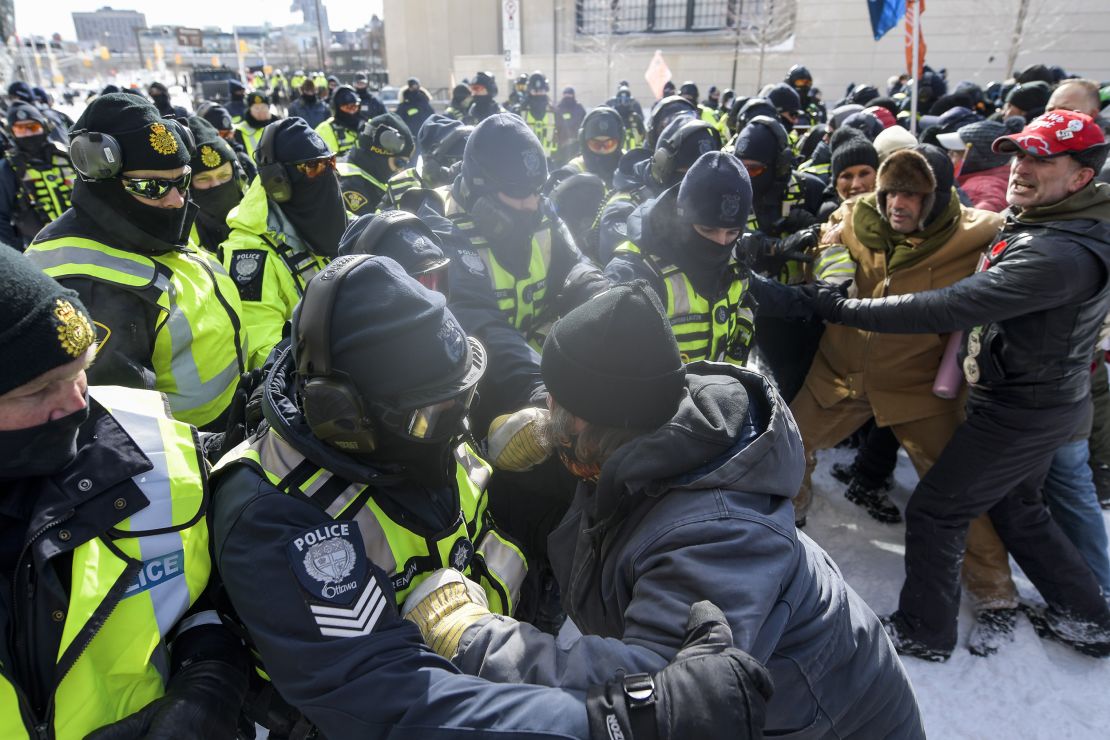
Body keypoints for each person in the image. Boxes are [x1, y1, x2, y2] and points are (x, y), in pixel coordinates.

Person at [211, 254, 774, 740]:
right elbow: (387, 698)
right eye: (440, 415)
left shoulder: (409, 424)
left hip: (502, 664)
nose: (456, 422)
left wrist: (514, 446)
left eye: (465, 398)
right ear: (344, 413)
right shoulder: (277, 512)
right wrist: (614, 723)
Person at [403, 280, 924, 739]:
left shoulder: (715, 534)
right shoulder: (657, 425)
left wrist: (474, 637)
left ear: (597, 423)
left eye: (558, 404)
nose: (547, 409)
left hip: (824, 724)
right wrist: (555, 434)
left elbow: (655, 697)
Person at [810, 110, 1110, 660]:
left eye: (1041, 158)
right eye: (1019, 153)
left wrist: (851, 307)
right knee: (1019, 510)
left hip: (1024, 410)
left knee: (936, 510)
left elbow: (955, 303)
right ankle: (1087, 617)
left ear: (1081, 177)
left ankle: (925, 631)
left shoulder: (1059, 253)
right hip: (1027, 399)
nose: (1020, 167)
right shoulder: (1051, 219)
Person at [0, 247, 248, 739]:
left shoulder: (154, 445)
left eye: (81, 370)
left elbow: (206, 594)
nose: (76, 403)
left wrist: (211, 678)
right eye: (37, 391)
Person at [25, 93, 250, 431]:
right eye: (152, 186)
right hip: (189, 457)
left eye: (182, 181)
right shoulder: (85, 284)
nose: (176, 201)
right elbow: (121, 432)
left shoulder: (143, 225)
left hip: (231, 426)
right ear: (102, 179)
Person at [434, 113, 609, 428]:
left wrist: (610, 302)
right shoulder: (442, 228)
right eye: (518, 193)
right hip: (474, 397)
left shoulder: (539, 208)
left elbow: (575, 267)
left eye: (537, 190)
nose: (531, 203)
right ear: (479, 186)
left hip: (538, 385)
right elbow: (479, 322)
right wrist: (543, 390)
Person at [221, 117, 345, 366]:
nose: (326, 174)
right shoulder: (249, 252)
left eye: (329, 163)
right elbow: (263, 350)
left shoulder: (331, 220)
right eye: (312, 166)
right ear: (278, 181)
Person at [594, 115, 720, 264]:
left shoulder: (712, 206)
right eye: (688, 175)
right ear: (662, 168)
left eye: (706, 177)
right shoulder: (624, 209)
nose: (698, 186)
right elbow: (624, 268)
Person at [0, 102, 75, 249]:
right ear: (12, 133)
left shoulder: (66, 155)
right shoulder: (8, 168)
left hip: (86, 237)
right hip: (41, 251)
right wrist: (19, 254)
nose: (28, 134)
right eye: (20, 129)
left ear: (44, 126)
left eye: (33, 127)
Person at [185, 116, 246, 256]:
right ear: (190, 186)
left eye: (224, 176)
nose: (216, 185)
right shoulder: (185, 235)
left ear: (236, 175)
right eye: (203, 179)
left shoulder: (261, 214)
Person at [937, 118, 1024, 213]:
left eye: (954, 153)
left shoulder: (980, 190)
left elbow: (983, 217)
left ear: (975, 157)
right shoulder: (1001, 178)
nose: (948, 157)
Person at [383, 115, 470, 209]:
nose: (460, 165)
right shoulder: (400, 184)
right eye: (454, 160)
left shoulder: (474, 181)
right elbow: (381, 219)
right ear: (431, 160)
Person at [338, 113, 414, 216]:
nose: (401, 170)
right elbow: (366, 229)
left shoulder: (368, 176)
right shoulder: (350, 185)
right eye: (399, 163)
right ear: (380, 154)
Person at [556, 106, 624, 187]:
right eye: (596, 144)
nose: (602, 149)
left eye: (609, 144)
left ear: (620, 143)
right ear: (584, 143)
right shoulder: (575, 170)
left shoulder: (629, 167)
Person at [315, 85, 361, 157]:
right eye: (348, 107)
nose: (352, 111)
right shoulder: (323, 130)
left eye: (355, 106)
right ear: (337, 108)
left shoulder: (368, 125)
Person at [520, 72, 557, 159]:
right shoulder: (521, 110)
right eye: (535, 91)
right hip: (526, 160)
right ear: (529, 90)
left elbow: (563, 134)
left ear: (546, 90)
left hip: (549, 160)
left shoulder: (553, 110)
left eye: (541, 90)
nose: (538, 93)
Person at [233, 89, 279, 160]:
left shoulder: (279, 124)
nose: (260, 111)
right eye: (256, 108)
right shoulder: (240, 130)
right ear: (249, 110)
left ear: (269, 107)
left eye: (263, 107)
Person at [606, 82, 646, 150]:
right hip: (617, 142)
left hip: (632, 142)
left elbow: (642, 131)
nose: (623, 101)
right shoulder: (611, 106)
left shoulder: (635, 109)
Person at [554, 86, 586, 162]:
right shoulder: (559, 108)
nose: (567, 96)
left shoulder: (579, 108)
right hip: (562, 144)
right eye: (566, 94)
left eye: (569, 94)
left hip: (576, 143)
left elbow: (584, 123)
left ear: (573, 95)